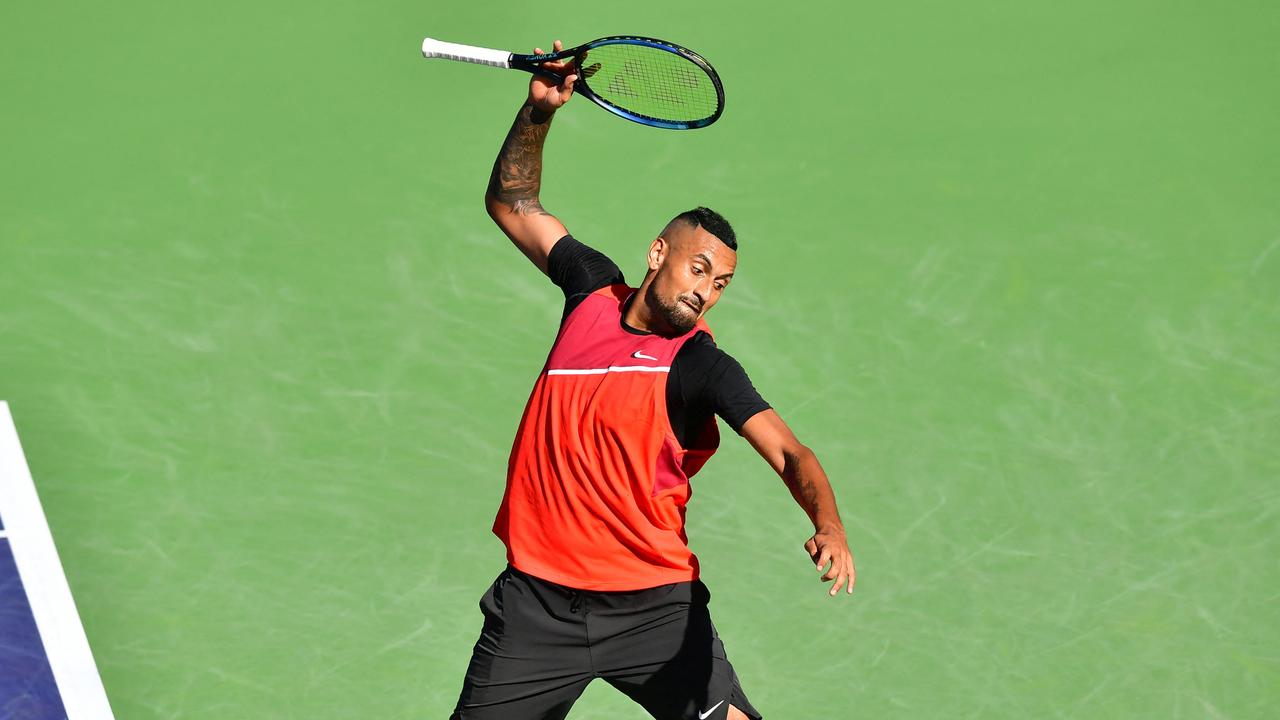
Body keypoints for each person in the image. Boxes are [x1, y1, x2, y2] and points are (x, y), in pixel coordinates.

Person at [450, 40, 855, 720]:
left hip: (652, 611)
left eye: (721, 283)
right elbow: (513, 201)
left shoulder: (701, 366)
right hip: (536, 610)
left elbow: (791, 453)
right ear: (658, 253)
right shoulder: (589, 291)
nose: (707, 292)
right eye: (699, 269)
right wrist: (539, 111)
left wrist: (829, 524)